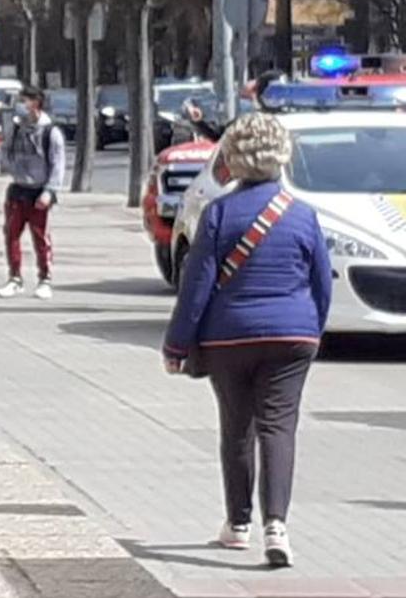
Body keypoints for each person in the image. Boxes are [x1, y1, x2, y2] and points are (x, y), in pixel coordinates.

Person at [163, 113, 332, 569]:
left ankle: (238, 525)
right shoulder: (302, 215)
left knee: (237, 428)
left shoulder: (218, 214)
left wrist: (176, 346)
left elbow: (195, 287)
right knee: (279, 427)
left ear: (233, 159)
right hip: (291, 335)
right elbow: (321, 284)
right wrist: (310, 332)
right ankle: (277, 526)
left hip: (228, 338)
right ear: (281, 157)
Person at [0, 87, 65, 300]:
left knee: (40, 237)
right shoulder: (17, 129)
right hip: (18, 189)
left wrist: (50, 191)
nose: (20, 105)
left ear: (36, 103)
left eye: (24, 101)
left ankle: (45, 279)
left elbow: (58, 164)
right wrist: (9, 166)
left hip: (38, 191)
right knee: (11, 234)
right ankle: (15, 278)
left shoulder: (50, 132)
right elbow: (5, 150)